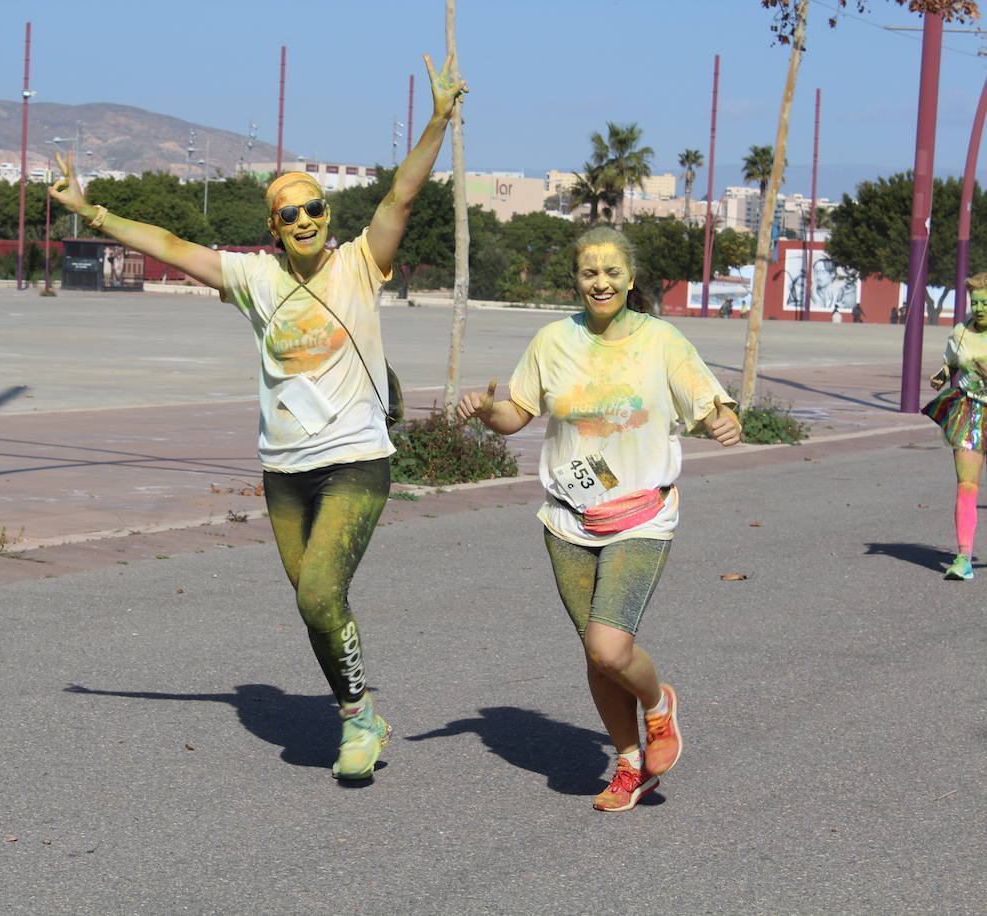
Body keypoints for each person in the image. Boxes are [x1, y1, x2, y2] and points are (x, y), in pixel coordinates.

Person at [49, 54, 466, 780]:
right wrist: (93, 213)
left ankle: (360, 721)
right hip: (283, 470)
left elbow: (400, 197)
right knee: (314, 607)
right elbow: (173, 248)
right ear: (273, 228)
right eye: (289, 214)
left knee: (317, 591)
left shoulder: (360, 263)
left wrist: (436, 121)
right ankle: (359, 709)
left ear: (328, 216)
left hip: (357, 460)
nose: (305, 220)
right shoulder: (254, 278)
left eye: (314, 208)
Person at [457, 226, 742, 812]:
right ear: (576, 279)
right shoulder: (553, 340)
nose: (601, 282)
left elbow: (710, 400)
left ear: (630, 279)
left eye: (612, 272)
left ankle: (658, 707)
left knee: (611, 648)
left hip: (641, 515)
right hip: (567, 518)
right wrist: (487, 410)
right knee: (595, 651)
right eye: (590, 272)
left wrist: (723, 420)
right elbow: (516, 414)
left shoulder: (661, 340)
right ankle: (630, 763)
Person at [922, 273, 987, 580]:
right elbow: (950, 361)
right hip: (971, 412)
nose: (980, 308)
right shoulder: (961, 331)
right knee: (966, 486)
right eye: (976, 302)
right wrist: (940, 374)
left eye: (985, 302)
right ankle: (963, 558)